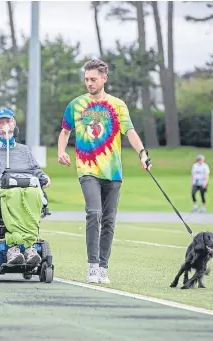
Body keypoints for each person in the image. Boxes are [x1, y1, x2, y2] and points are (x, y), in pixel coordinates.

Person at [57, 59, 151, 284]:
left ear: (104, 79)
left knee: (109, 220)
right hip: (87, 168)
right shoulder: (76, 105)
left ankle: (102, 267)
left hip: (113, 171)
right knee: (94, 213)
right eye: (86, 79)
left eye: (93, 79)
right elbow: (64, 131)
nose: (89, 83)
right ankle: (91, 265)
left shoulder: (118, 105)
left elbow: (130, 131)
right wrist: (61, 151)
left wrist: (143, 153)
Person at [0, 108, 51, 266]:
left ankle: (29, 247)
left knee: (34, 193)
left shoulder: (24, 150)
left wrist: (44, 177)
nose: (4, 125)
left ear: (14, 124)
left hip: (25, 188)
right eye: (0, 123)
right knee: (13, 193)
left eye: (7, 122)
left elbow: (36, 170)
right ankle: (14, 247)